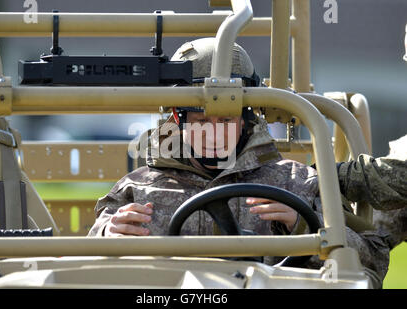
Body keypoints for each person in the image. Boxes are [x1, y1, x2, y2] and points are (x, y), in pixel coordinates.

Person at [88, 37, 390, 286]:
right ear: (177, 120)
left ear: (246, 120)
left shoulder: (297, 183)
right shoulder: (138, 188)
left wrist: (303, 227)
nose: (213, 131)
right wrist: (109, 236)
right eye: (201, 119)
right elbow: (87, 267)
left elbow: (371, 263)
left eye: (226, 119)